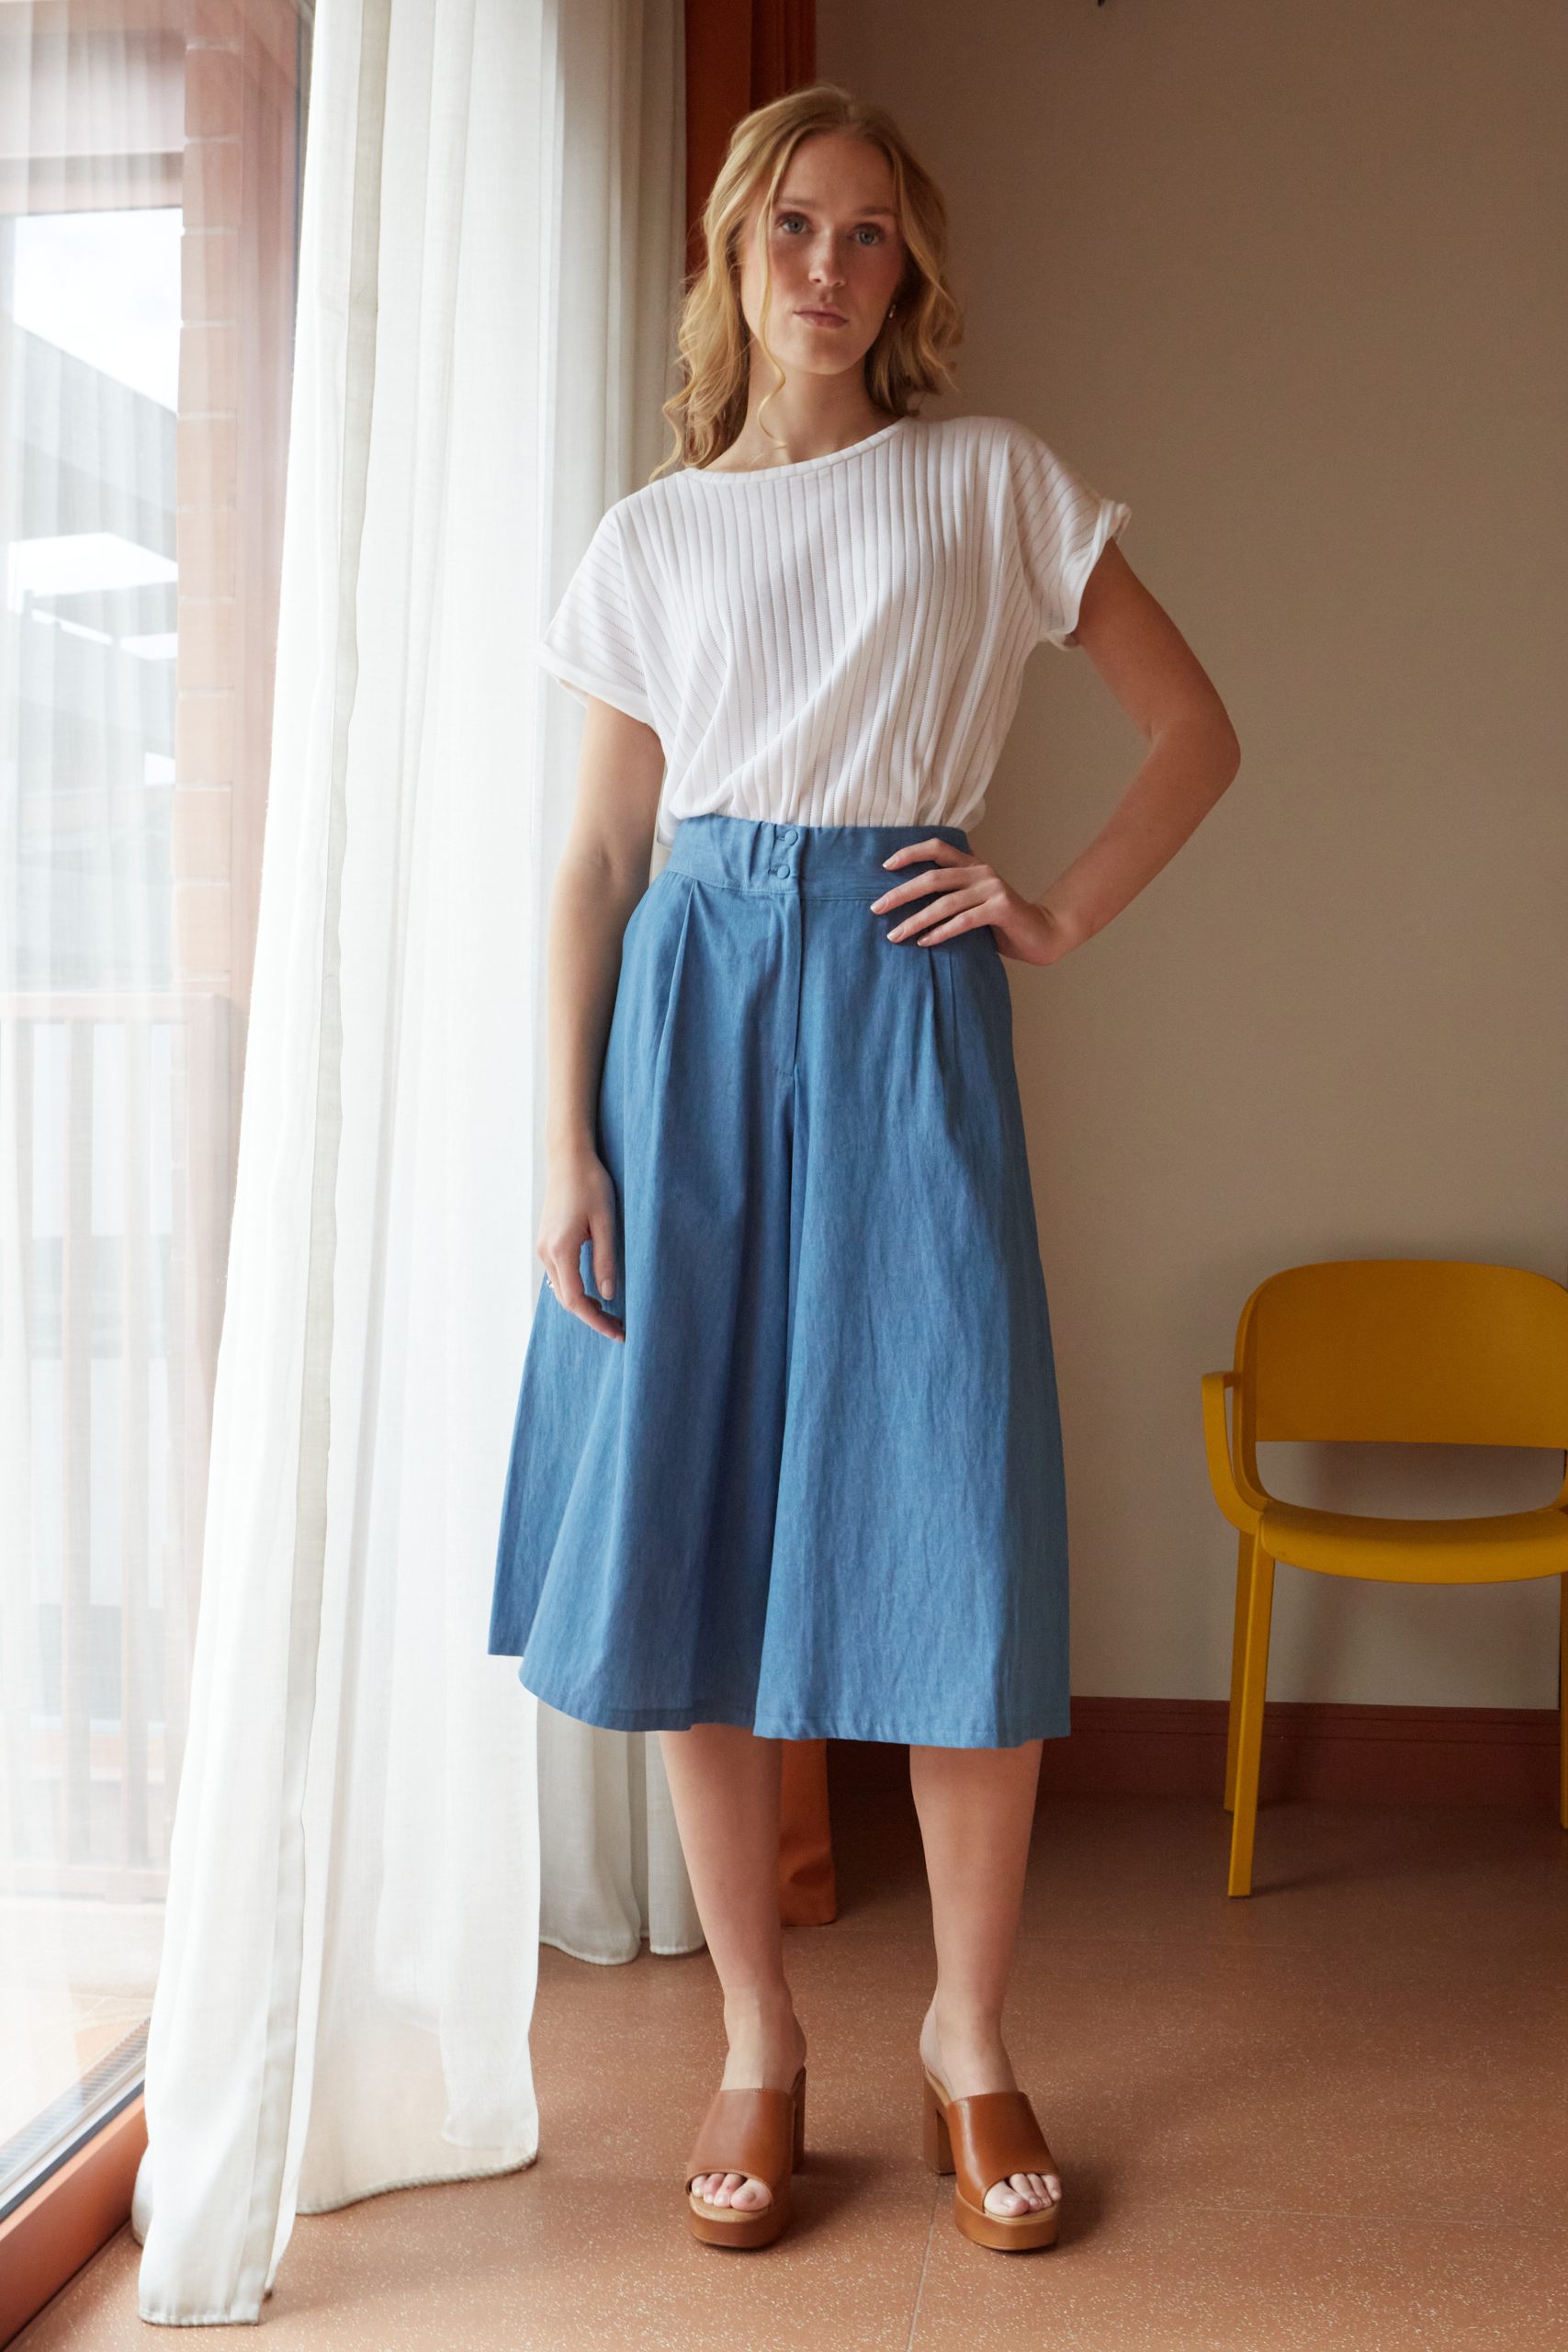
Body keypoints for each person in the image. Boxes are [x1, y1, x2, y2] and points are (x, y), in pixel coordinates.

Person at [489, 83, 1241, 2252]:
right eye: (793, 228)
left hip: (902, 1004)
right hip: (688, 1014)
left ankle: (965, 2038)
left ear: (907, 270)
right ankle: (756, 2034)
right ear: (732, 253)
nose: (827, 267)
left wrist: (1055, 906)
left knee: (947, 1513)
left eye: (869, 234)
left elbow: (1192, 728)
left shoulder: (987, 479)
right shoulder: (649, 538)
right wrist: (561, 1133)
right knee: (686, 1526)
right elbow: (598, 855)